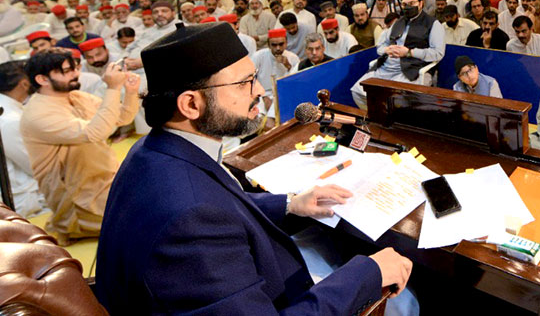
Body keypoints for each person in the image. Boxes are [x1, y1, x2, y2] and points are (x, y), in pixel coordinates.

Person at [94, 22, 412, 313]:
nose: (259, 90)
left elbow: (222, 204)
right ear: (191, 104)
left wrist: (291, 204)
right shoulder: (190, 221)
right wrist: (369, 273)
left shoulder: (152, 150)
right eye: (245, 82)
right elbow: (204, 213)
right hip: (273, 296)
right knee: (407, 302)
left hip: (251, 277)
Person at [20, 49, 140, 245]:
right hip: (79, 196)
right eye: (66, 71)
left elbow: (121, 117)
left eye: (74, 68)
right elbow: (95, 132)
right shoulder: (37, 115)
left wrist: (131, 92)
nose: (75, 74)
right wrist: (113, 89)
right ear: (42, 79)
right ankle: (72, 229)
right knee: (146, 222)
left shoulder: (75, 96)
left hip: (106, 176)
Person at [351, 0, 445, 109]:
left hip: (412, 68)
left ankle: (393, 122)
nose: (408, 7)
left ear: (421, 3)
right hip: (387, 66)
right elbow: (380, 46)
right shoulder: (398, 22)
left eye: (412, 4)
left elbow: (438, 53)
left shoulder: (433, 24)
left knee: (393, 98)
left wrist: (409, 52)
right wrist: (387, 50)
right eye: (405, 5)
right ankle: (377, 117)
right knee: (358, 91)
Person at [0, 61, 48, 217]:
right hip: (25, 197)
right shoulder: (8, 119)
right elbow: (34, 165)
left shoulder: (9, 108)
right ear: (24, 83)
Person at [251, 29, 299, 125]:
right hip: (261, 94)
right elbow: (251, 78)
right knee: (258, 121)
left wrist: (288, 66)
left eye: (281, 44)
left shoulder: (293, 58)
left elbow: (295, 84)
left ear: (286, 43)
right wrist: (264, 97)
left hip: (283, 95)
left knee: (278, 121)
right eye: (274, 45)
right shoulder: (259, 56)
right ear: (268, 45)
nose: (278, 48)